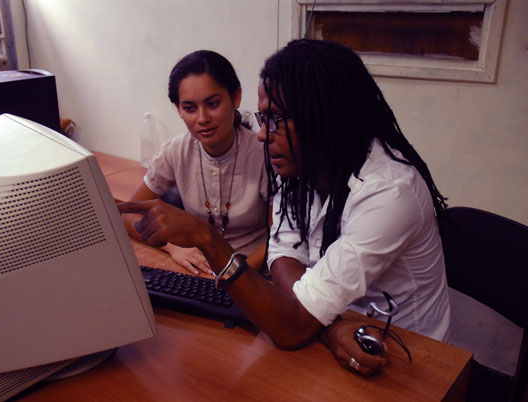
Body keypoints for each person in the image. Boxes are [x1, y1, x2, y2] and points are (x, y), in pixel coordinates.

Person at [118, 39, 451, 376]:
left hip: (402, 358)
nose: (262, 134)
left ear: (323, 115)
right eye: (263, 118)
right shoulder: (301, 167)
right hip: (332, 335)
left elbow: (290, 330)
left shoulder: (388, 194)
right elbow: (282, 254)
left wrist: (207, 238)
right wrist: (323, 322)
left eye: (276, 118)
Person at [122, 50, 271, 275]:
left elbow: (279, 237)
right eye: (190, 108)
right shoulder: (175, 151)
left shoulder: (265, 155)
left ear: (235, 97)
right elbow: (128, 214)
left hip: (254, 273)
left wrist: (237, 278)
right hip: (198, 271)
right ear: (178, 109)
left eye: (212, 104)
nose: (202, 118)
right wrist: (173, 248)